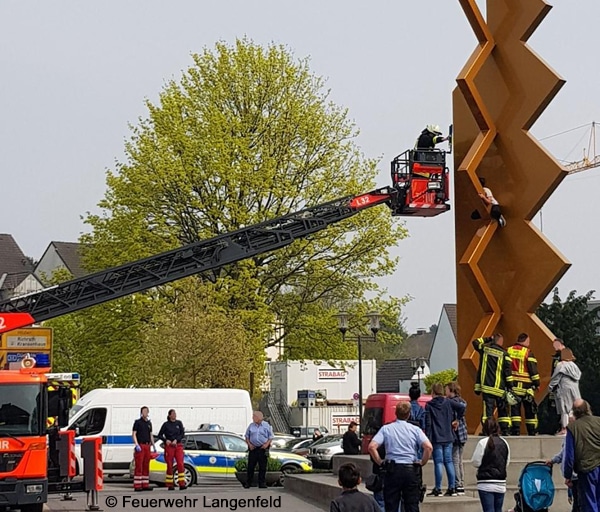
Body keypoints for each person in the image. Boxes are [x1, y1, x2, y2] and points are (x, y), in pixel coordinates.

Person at [369, 401, 433, 512]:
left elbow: (372, 447)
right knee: (412, 505)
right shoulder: (415, 429)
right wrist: (422, 462)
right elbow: (428, 447)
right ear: (409, 414)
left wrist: (380, 462)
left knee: (391, 504)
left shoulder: (386, 429)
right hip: (410, 468)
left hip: (392, 469)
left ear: (395, 413)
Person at [425, 382, 466, 497]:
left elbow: (428, 423)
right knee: (449, 461)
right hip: (449, 436)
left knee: (438, 462)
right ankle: (452, 487)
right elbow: (462, 407)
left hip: (436, 437)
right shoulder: (448, 402)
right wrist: (457, 419)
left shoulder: (429, 405)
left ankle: (438, 488)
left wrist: (427, 438)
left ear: (433, 392)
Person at [563, 399, 600, 512]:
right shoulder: (599, 421)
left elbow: (569, 456)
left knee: (589, 503)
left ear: (574, 412)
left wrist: (567, 475)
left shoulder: (573, 428)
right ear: (588, 408)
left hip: (587, 469)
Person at [473, 334, 514, 435]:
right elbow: (508, 373)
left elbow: (475, 342)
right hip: (500, 389)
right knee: (503, 411)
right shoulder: (505, 355)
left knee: (488, 412)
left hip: (487, 388)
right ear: (501, 342)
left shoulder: (485, 349)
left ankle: (488, 431)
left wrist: (488, 338)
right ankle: (505, 431)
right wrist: (511, 387)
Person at [471, 417, 511, 512]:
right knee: (498, 509)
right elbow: (506, 462)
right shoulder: (504, 442)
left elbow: (475, 462)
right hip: (500, 482)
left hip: (485, 482)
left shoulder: (482, 442)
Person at [545, 414, 580, 512]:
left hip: (576, 475)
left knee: (578, 503)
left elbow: (569, 456)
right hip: (573, 475)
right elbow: (563, 453)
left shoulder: (575, 436)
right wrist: (552, 460)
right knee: (577, 501)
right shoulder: (569, 436)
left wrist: (568, 476)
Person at [507, 333, 540, 436]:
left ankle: (515, 430)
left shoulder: (508, 350)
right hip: (526, 387)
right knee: (530, 409)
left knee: (514, 410)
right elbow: (533, 370)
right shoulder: (528, 353)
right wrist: (537, 383)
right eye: (529, 341)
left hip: (513, 385)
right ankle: (531, 431)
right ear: (525, 341)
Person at [550, 348, 581, 436]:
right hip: (575, 389)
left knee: (564, 409)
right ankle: (574, 428)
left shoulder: (561, 365)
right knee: (573, 408)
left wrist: (550, 388)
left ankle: (565, 429)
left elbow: (556, 378)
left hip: (564, 389)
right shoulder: (574, 366)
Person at [446, 381, 468, 496]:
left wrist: (456, 420)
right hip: (463, 433)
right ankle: (461, 483)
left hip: (455, 434)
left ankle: (457, 484)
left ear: (451, 390)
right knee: (459, 460)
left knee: (454, 459)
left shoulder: (451, 402)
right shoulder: (463, 401)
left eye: (447, 390)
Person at [156, 409, 186, 490]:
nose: (174, 415)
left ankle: (182, 483)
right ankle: (170, 484)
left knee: (180, 464)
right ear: (169, 415)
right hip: (169, 447)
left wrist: (176, 439)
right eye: (173, 414)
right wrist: (166, 440)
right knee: (169, 465)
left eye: (175, 413)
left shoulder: (179, 423)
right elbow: (160, 435)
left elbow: (182, 434)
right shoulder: (166, 425)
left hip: (178, 445)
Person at [244, 411, 273, 489]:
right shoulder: (251, 426)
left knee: (262, 467)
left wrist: (266, 445)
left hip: (262, 449)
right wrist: (249, 445)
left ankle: (262, 483)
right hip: (253, 449)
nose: (252, 418)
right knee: (250, 466)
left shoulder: (266, 426)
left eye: (254, 416)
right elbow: (247, 436)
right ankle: (248, 483)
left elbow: (270, 437)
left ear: (258, 417)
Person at [132, 406, 155, 491]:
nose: (145, 413)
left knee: (146, 465)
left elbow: (150, 434)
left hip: (147, 446)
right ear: (141, 412)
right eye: (144, 411)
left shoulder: (149, 423)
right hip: (140, 446)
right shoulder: (137, 422)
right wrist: (136, 444)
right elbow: (134, 434)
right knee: (139, 465)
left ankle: (145, 484)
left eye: (146, 411)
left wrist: (153, 445)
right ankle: (137, 485)